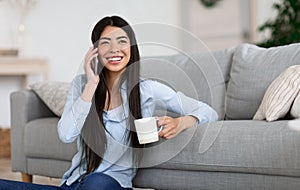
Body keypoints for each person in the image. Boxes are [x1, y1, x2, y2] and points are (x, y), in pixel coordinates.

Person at [0, 15, 218, 190]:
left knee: (97, 182)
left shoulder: (147, 89)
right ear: (95, 51)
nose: (114, 49)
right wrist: (91, 85)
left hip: (108, 183)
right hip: (73, 183)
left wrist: (181, 123)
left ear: (131, 48)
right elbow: (66, 134)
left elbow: (208, 112)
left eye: (122, 42)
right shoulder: (82, 85)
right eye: (105, 43)